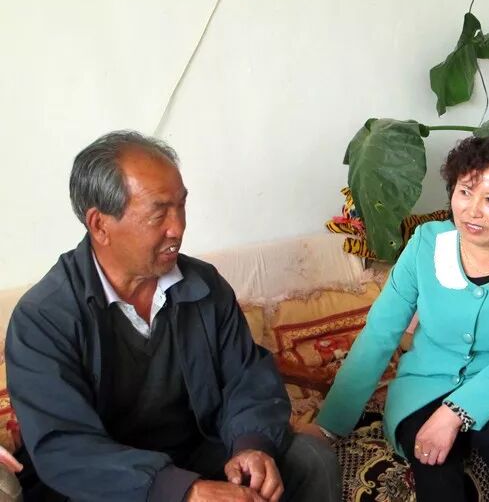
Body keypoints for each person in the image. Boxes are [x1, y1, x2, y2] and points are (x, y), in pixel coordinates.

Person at [6, 131, 341, 502]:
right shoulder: (44, 317)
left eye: (181, 206)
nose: (177, 228)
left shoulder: (204, 286)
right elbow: (65, 448)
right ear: (100, 225)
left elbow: (247, 377)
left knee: (311, 461)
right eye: (158, 213)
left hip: (193, 453)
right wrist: (183, 491)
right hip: (106, 482)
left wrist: (251, 445)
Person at [302, 134, 489, 501]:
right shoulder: (426, 243)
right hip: (425, 384)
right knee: (433, 465)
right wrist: (329, 425)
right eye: (465, 192)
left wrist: (454, 412)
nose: (472, 211)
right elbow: (381, 331)